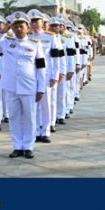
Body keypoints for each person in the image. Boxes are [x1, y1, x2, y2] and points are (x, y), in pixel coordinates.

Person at [0, 12, 47, 159]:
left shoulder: (35, 44)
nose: (19, 29)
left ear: (27, 28)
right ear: (12, 27)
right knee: (14, 117)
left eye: (22, 26)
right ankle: (17, 146)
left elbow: (41, 68)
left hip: (29, 86)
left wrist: (41, 88)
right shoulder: (5, 42)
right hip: (11, 86)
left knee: (30, 117)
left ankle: (28, 146)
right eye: (16, 26)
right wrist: (1, 32)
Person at [28, 10, 62, 144]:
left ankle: (45, 131)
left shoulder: (50, 37)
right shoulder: (27, 37)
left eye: (37, 21)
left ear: (43, 23)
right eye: (32, 21)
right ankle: (35, 131)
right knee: (33, 105)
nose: (35, 24)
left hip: (46, 75)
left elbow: (56, 58)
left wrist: (55, 75)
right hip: (30, 75)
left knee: (45, 104)